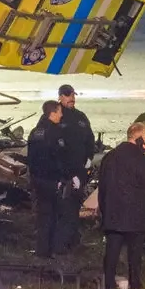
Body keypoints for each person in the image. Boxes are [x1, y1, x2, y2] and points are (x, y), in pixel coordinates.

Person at [98, 121, 145, 289]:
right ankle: (135, 284)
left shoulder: (110, 156)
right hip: (135, 211)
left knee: (112, 251)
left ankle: (108, 283)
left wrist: (103, 208)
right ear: (139, 137)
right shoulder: (141, 157)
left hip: (113, 210)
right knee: (135, 252)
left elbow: (102, 185)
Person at [26, 99, 74, 258]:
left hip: (37, 179)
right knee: (54, 215)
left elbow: (31, 157)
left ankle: (41, 249)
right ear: (52, 113)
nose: (61, 115)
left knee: (42, 215)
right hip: (52, 180)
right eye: (59, 111)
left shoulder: (35, 132)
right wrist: (66, 176)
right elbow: (59, 157)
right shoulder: (54, 132)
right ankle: (52, 250)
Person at [54, 84, 96, 253]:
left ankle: (73, 238)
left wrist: (89, 157)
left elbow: (90, 138)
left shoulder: (80, 116)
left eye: (72, 94)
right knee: (63, 205)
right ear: (60, 97)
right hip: (63, 170)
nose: (71, 97)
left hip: (80, 168)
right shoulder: (56, 116)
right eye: (67, 95)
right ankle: (61, 243)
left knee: (75, 203)